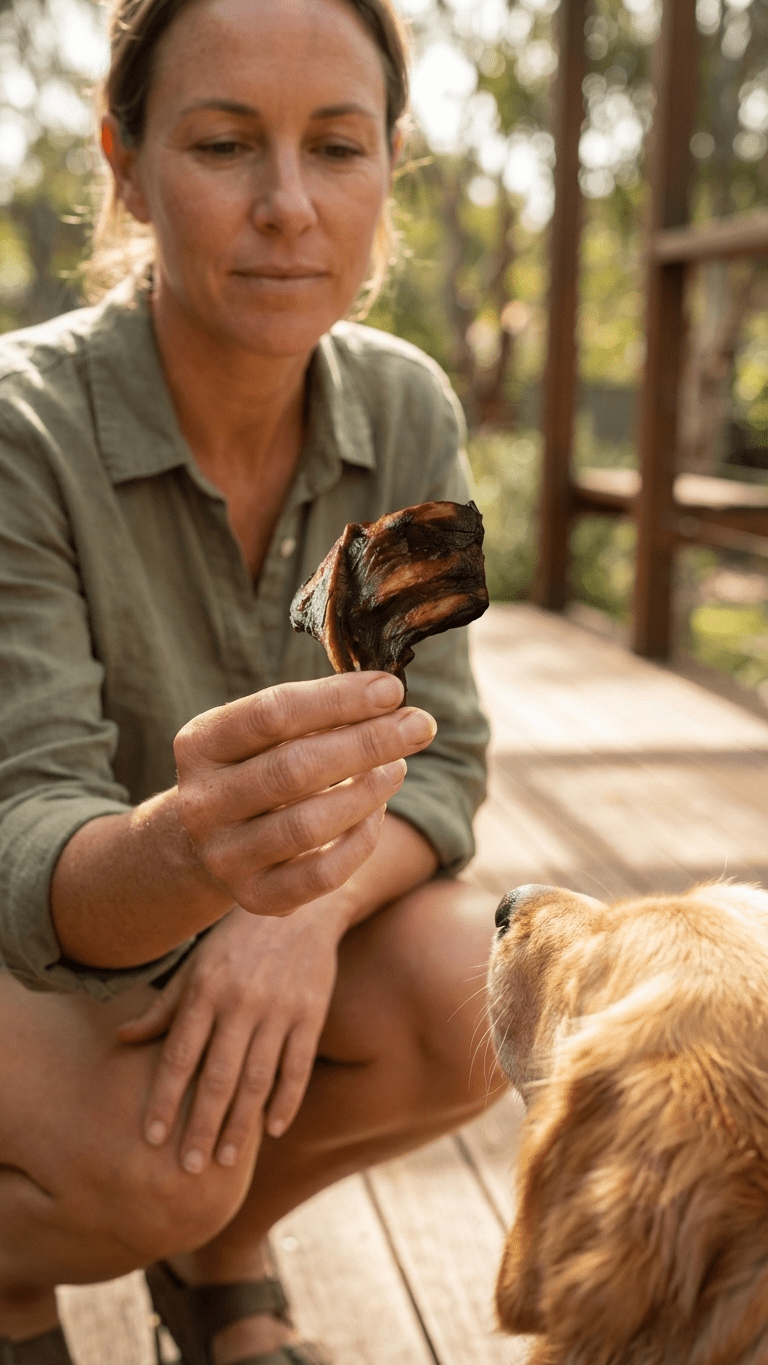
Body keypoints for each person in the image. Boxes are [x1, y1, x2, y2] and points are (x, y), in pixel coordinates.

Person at [0, 0, 504, 1361]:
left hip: (205, 939)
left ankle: (219, 1257)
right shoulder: (19, 428)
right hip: (27, 953)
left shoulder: (406, 410)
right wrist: (199, 852)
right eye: (226, 145)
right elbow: (23, 839)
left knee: (490, 985)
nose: (288, 206)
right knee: (158, 1164)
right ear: (124, 162)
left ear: (388, 166)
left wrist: (305, 910)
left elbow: (445, 755)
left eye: (335, 148)